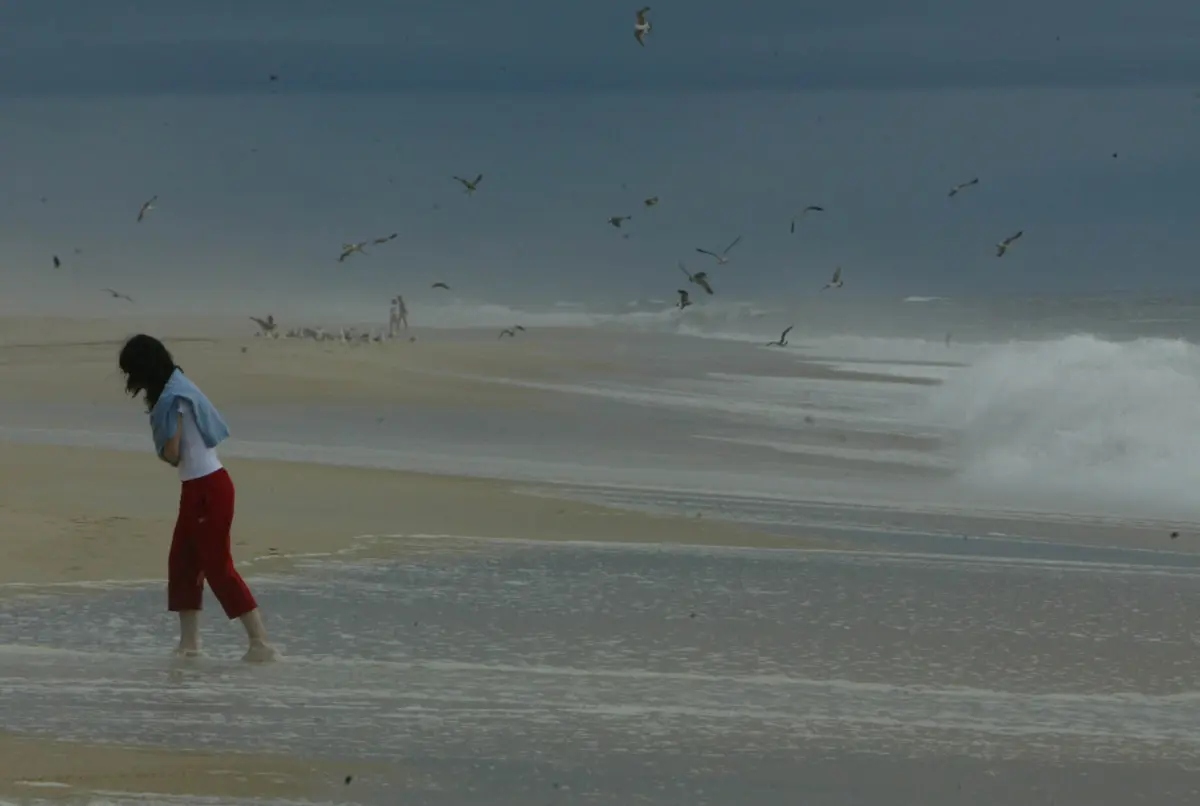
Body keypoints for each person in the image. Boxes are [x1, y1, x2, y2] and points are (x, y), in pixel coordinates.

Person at [118, 334, 279, 662]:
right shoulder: (179, 387)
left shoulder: (173, 398)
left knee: (218, 567)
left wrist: (161, 451)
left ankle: (260, 642)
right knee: (182, 563)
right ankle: (190, 646)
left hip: (207, 489)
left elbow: (174, 452)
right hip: (199, 487)